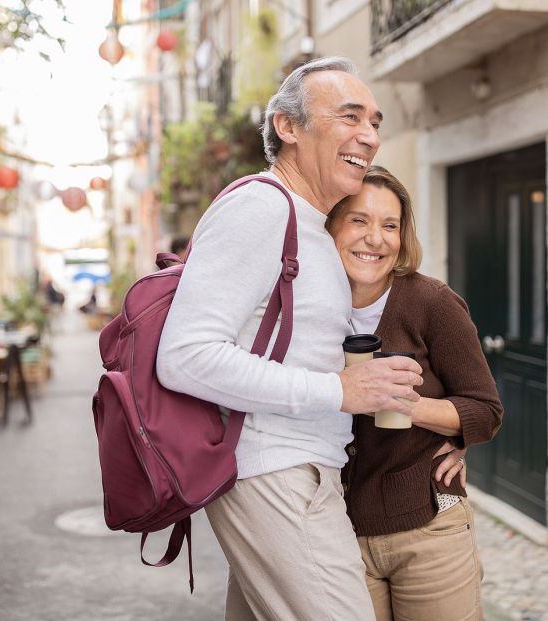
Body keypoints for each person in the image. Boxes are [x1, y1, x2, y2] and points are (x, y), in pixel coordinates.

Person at [157, 57, 423, 620]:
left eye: (374, 122)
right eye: (349, 117)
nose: (369, 136)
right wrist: (339, 392)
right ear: (288, 126)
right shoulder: (259, 208)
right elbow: (185, 357)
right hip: (274, 469)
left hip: (300, 469)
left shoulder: (310, 225)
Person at [326, 165, 503, 621]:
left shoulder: (431, 303)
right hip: (332, 537)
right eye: (359, 220)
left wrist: (412, 406)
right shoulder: (307, 306)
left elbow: (485, 410)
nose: (376, 239)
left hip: (429, 527)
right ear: (330, 225)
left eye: (390, 225)